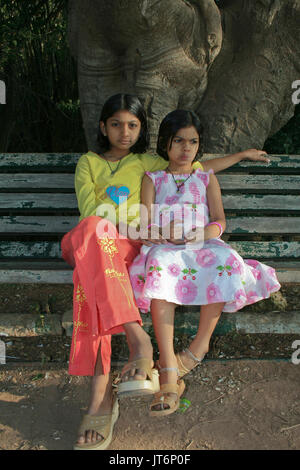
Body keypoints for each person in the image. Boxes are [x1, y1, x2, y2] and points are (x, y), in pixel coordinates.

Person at [61, 94, 270, 449]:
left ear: (143, 130)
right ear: (102, 127)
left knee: (89, 282)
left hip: (132, 247)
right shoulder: (89, 162)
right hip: (98, 238)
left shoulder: (150, 162)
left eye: (133, 125)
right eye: (116, 124)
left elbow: (197, 165)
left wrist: (242, 156)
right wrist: (139, 231)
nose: (124, 133)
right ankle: (138, 339)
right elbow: (90, 212)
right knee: (93, 233)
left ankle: (100, 398)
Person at [129, 109, 281, 417]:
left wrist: (205, 233)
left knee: (224, 261)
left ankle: (199, 346)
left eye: (193, 142)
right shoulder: (153, 178)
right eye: (179, 141)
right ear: (165, 144)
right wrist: (161, 233)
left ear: (200, 145)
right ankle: (169, 368)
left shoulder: (205, 177)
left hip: (202, 242)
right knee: (158, 267)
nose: (186, 148)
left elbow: (220, 220)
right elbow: (145, 222)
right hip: (167, 245)